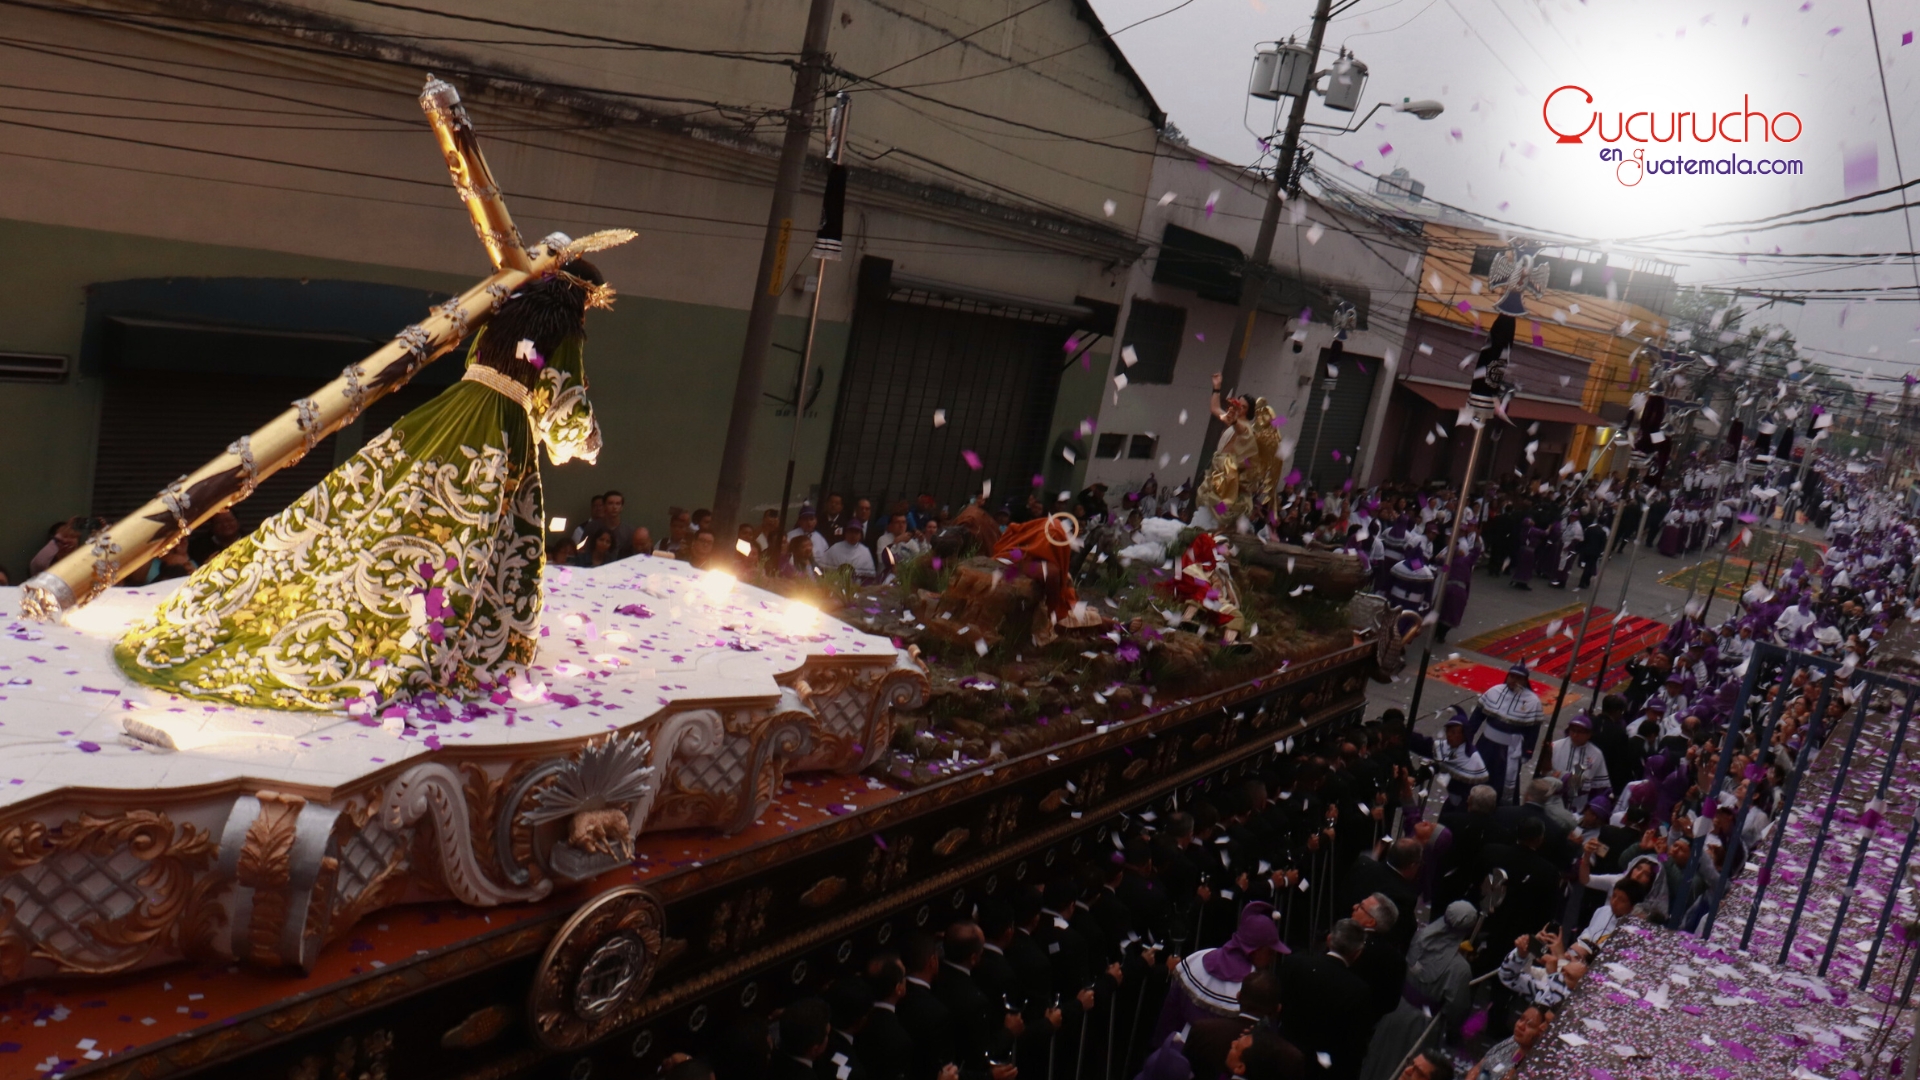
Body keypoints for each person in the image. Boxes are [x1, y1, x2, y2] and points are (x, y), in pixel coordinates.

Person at [116, 256, 613, 709]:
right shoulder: (563, 332)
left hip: (449, 412)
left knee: (391, 497)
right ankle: (447, 631)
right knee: (474, 532)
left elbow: (475, 363)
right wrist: (586, 439)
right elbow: (562, 401)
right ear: (582, 298)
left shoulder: (506, 312)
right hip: (501, 426)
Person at [1471, 664, 1546, 805]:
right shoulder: (1494, 691)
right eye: (1512, 676)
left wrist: (1527, 752)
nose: (1514, 680)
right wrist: (1467, 738)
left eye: (1519, 678)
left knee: (1501, 782)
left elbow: (1532, 732)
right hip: (1486, 745)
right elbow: (1477, 717)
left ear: (1525, 680)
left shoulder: (1532, 702)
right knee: (1478, 775)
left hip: (1508, 752)